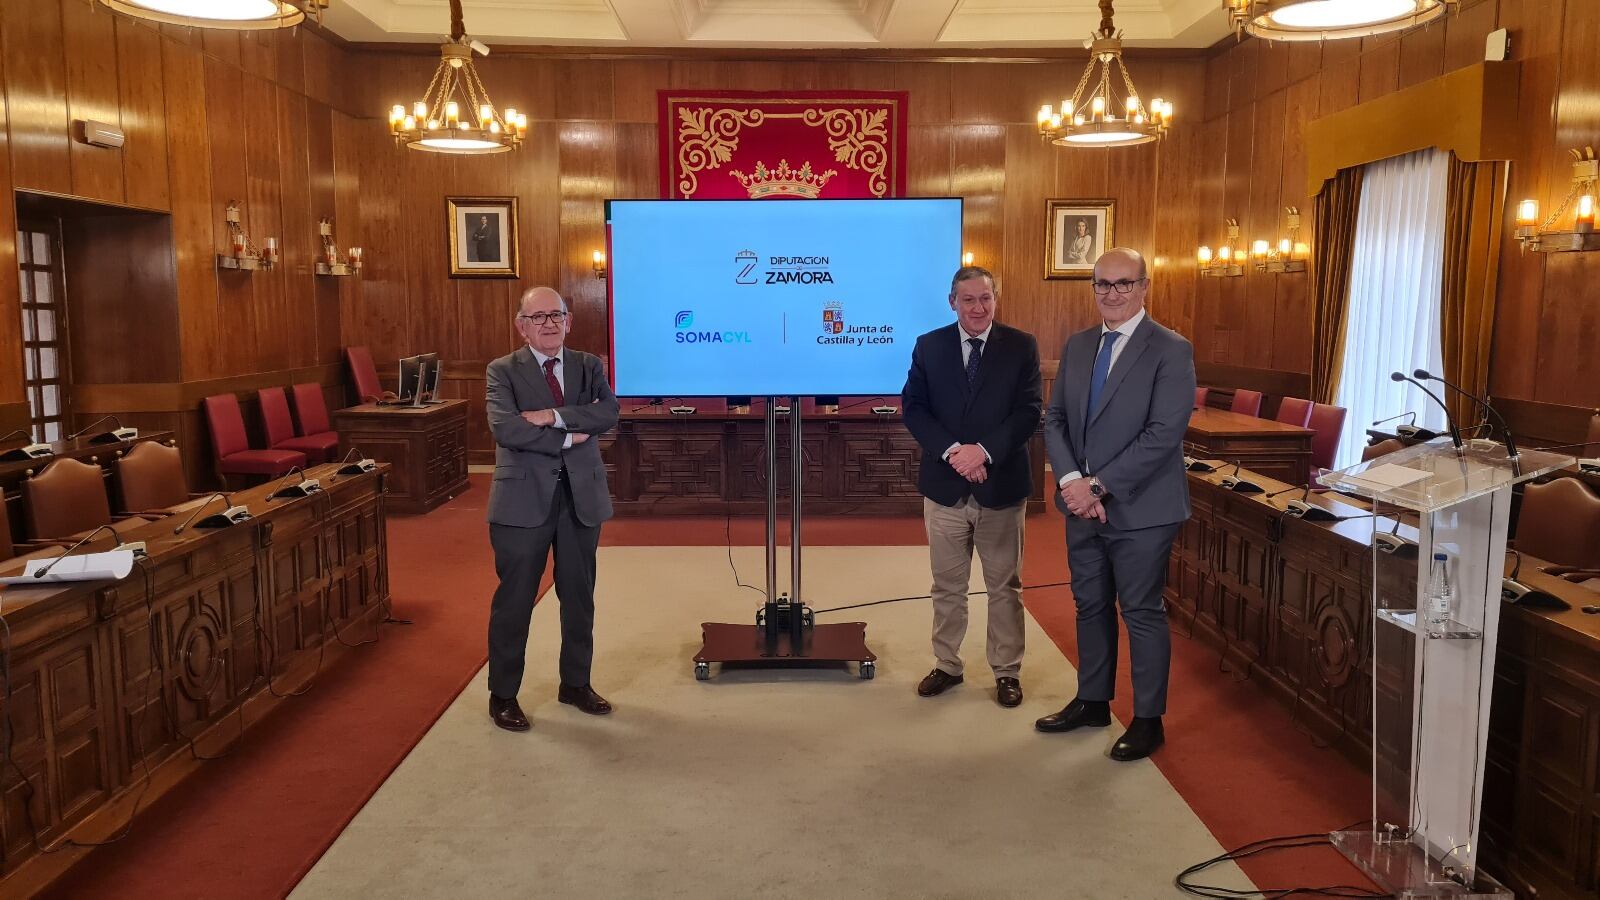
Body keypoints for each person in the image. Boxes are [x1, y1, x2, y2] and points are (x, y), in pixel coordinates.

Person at [1035, 248, 1195, 761]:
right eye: (1102, 284)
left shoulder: (1171, 349)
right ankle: (1092, 700)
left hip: (1142, 509)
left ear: (1144, 286)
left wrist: (1097, 487)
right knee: (1090, 605)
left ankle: (1149, 719)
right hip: (1081, 505)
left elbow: (1164, 434)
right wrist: (1071, 482)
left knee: (1142, 611)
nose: (1112, 293)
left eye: (1123, 284)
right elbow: (1055, 419)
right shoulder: (1080, 345)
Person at [902, 266, 1043, 708]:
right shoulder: (929, 345)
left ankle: (1006, 672)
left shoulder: (1021, 346)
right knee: (947, 587)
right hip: (945, 489)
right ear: (952, 302)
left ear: (995, 299)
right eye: (968, 300)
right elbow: (914, 408)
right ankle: (947, 665)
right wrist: (954, 453)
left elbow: (1028, 411)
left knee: (1005, 586)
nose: (978, 307)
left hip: (1001, 486)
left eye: (985, 298)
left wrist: (982, 451)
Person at [484, 286, 620, 732]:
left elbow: (608, 413)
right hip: (522, 502)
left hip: (581, 498)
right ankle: (503, 695)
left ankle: (575, 684)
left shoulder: (588, 365)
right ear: (521, 325)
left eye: (555, 315)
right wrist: (568, 436)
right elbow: (506, 429)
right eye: (537, 316)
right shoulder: (501, 370)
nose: (548, 324)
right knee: (516, 600)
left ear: (569, 321)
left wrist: (551, 416)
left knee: (579, 596)